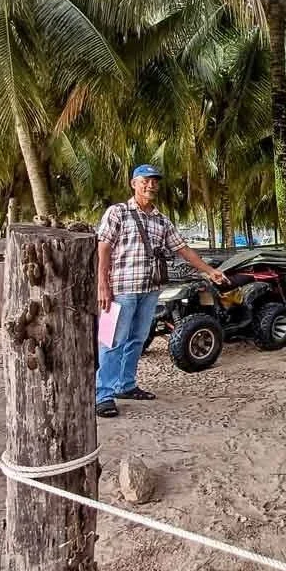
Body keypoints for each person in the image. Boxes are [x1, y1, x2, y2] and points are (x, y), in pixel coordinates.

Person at [95, 164, 229, 418]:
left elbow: (182, 249)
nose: (151, 185)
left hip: (149, 291)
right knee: (110, 341)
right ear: (133, 183)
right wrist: (102, 284)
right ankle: (103, 394)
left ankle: (126, 385)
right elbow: (103, 248)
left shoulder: (161, 220)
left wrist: (208, 270)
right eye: (145, 180)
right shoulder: (117, 213)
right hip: (120, 289)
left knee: (137, 339)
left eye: (155, 181)